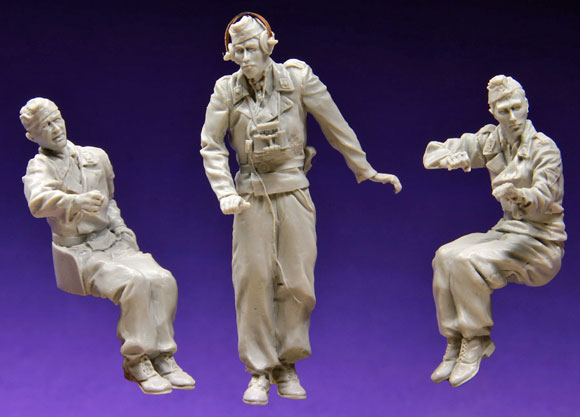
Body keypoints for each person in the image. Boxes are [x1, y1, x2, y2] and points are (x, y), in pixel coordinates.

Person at [200, 12, 401, 405]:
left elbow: (335, 125)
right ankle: (260, 370)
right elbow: (211, 144)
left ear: (267, 45)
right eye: (239, 51)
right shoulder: (225, 90)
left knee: (297, 281)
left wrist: (365, 169)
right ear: (231, 54)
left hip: (293, 190)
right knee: (253, 280)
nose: (246, 57)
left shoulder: (298, 79)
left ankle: (287, 363)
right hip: (250, 197)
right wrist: (224, 191)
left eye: (252, 48)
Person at [21, 97, 195, 395]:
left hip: (113, 241)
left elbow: (109, 202)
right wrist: (74, 201)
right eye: (45, 126)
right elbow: (38, 202)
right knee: (134, 283)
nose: (55, 128)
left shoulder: (95, 156)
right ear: (33, 136)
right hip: (79, 251)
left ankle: (163, 355)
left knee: (163, 280)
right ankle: (137, 359)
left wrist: (122, 231)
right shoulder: (40, 167)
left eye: (56, 119)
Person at [423, 75, 566, 387]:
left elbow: (545, 197)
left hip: (540, 240)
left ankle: (476, 339)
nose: (512, 116)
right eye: (504, 110)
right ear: (493, 112)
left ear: (526, 105)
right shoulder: (491, 140)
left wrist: (519, 194)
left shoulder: (544, 149)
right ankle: (455, 340)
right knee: (444, 256)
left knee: (467, 261)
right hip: (506, 230)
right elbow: (432, 154)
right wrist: (451, 158)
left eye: (516, 107)